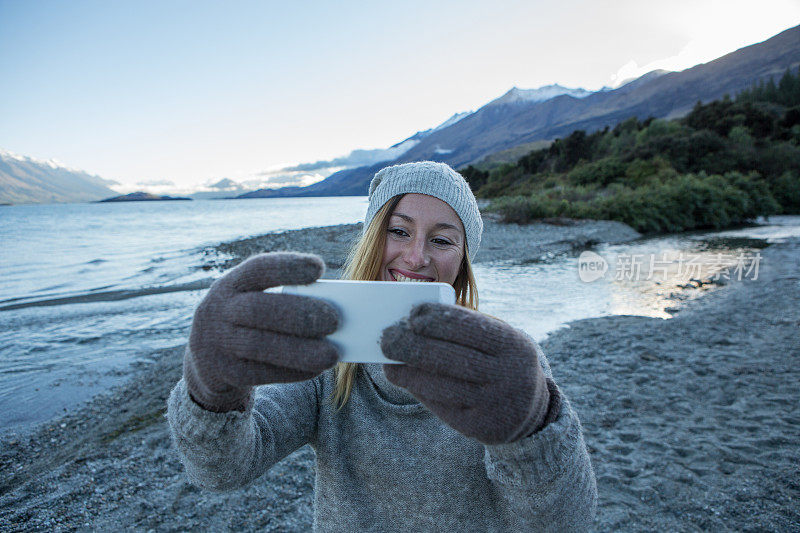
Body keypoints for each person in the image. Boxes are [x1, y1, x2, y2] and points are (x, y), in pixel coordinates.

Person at [167, 161, 598, 531]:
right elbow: (221, 470)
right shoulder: (329, 360)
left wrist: (534, 426)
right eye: (398, 231)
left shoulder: (501, 367)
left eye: (442, 239)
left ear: (463, 262)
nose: (416, 257)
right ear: (373, 237)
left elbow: (564, 523)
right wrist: (211, 387)